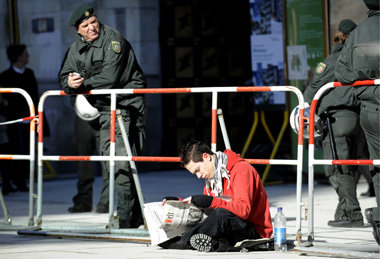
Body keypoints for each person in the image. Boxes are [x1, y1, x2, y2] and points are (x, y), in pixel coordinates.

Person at [59, 4, 147, 228]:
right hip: (102, 111)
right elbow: (63, 74)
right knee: (115, 165)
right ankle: (133, 217)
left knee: (120, 165)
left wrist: (81, 86)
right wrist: (69, 82)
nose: (91, 27)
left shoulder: (112, 39)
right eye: (85, 25)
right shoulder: (75, 48)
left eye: (94, 22)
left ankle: (127, 220)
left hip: (125, 108)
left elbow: (110, 78)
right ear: (77, 30)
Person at [303, 19, 365, 228]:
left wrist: (303, 111)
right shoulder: (361, 57)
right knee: (354, 166)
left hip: (337, 120)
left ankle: (351, 214)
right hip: (360, 118)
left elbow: (313, 88)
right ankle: (344, 208)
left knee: (338, 169)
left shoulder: (334, 59)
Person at [160, 140, 273, 252]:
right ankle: (215, 243)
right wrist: (179, 203)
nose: (198, 176)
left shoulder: (241, 169)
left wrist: (211, 201)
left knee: (220, 215)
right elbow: (205, 213)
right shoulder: (211, 179)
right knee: (210, 217)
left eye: (198, 170)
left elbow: (243, 210)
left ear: (206, 157)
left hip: (254, 229)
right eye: (195, 174)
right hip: (229, 226)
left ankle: (184, 241)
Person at [334, 0, 380, 245]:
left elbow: (342, 72)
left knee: (378, 166)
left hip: (371, 109)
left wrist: (366, 83)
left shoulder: (358, 34)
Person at [0, 44, 50, 192]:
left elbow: (34, 95)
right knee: (11, 150)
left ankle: (22, 181)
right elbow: (6, 100)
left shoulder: (29, 73)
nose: (27, 56)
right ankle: (8, 182)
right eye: (25, 53)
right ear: (18, 56)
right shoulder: (5, 76)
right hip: (12, 120)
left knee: (27, 150)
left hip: (29, 119)